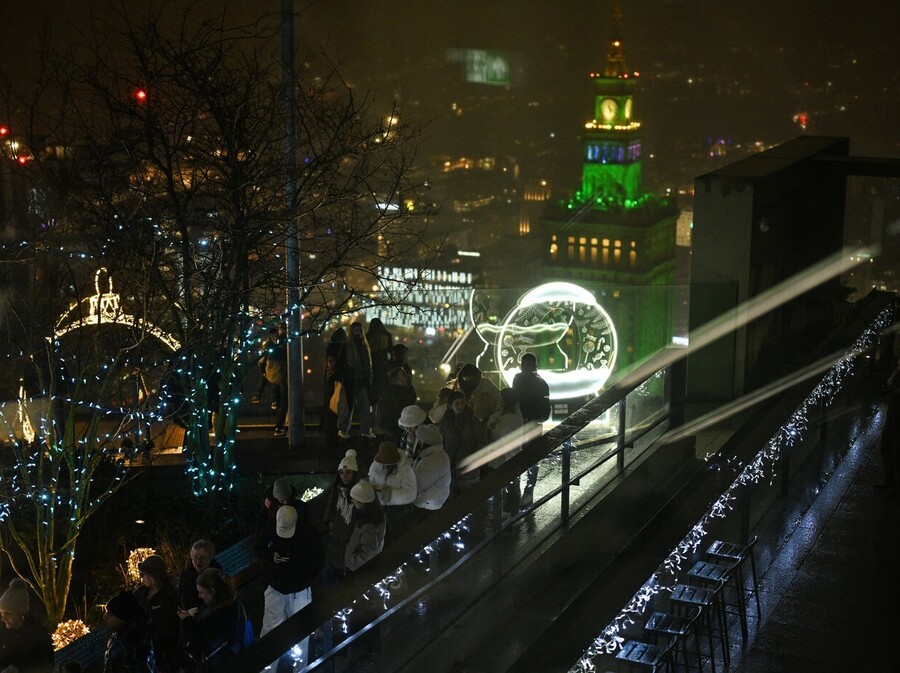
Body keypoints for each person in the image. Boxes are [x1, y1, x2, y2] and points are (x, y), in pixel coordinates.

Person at [254, 505, 322, 668]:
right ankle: (268, 670)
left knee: (299, 632)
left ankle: (299, 668)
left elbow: (317, 562)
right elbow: (258, 547)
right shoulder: (270, 527)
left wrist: (299, 577)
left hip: (297, 590)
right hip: (277, 588)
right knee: (272, 631)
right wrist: (271, 557)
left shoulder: (308, 533)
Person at [178, 569, 249, 673]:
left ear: (212, 591)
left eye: (201, 592)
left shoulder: (222, 614)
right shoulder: (229, 602)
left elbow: (203, 641)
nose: (199, 596)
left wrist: (187, 620)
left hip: (221, 665)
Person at [513, 353, 551, 506]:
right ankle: (526, 491)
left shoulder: (521, 380)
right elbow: (545, 410)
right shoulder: (540, 383)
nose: (526, 367)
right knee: (530, 459)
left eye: (527, 365)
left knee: (526, 458)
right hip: (528, 424)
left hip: (525, 425)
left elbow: (543, 411)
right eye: (524, 364)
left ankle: (525, 491)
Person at [134, 555, 180, 673]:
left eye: (144, 574)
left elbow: (169, 625)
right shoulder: (141, 593)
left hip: (163, 653)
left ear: (153, 576)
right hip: (143, 649)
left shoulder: (169, 596)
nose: (141, 578)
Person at [322, 450, 361, 586]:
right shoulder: (337, 489)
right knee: (328, 572)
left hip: (350, 536)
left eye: (348, 472)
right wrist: (330, 521)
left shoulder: (358, 493)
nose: (344, 476)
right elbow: (331, 504)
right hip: (337, 533)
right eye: (342, 473)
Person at [486, 388, 526, 517]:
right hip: (511, 456)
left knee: (505, 489)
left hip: (503, 459)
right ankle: (512, 513)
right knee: (512, 487)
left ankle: (507, 515)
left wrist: (492, 426)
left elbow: (496, 433)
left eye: (500, 398)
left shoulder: (509, 418)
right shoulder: (514, 413)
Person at [0, 578, 54, 673]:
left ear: (20, 613)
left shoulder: (37, 633)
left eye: (8, 613)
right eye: (1, 613)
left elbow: (47, 664)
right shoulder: (2, 631)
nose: (3, 618)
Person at [368, 442, 417, 543]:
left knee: (398, 539)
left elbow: (410, 493)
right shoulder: (376, 465)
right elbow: (371, 478)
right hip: (379, 509)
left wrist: (389, 494)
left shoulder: (406, 470)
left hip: (399, 513)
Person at [440, 390, 488, 493]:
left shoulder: (472, 420)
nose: (460, 406)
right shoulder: (446, 422)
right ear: (450, 405)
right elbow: (442, 439)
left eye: (462, 403)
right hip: (450, 462)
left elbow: (481, 439)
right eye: (456, 403)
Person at [335, 321, 375, 440]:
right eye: (356, 331)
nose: (358, 333)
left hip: (361, 381)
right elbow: (341, 364)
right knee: (348, 407)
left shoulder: (363, 346)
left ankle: (365, 430)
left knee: (365, 406)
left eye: (359, 331)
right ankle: (344, 429)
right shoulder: (348, 347)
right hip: (351, 381)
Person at [102, 591, 155, 673]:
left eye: (110, 615)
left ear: (122, 618)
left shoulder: (130, 647)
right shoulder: (119, 638)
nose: (104, 617)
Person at [344, 481, 386, 573]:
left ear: (362, 502)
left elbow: (369, 552)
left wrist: (351, 560)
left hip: (356, 568)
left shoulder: (368, 525)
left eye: (354, 499)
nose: (352, 501)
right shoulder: (375, 511)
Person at [411, 424, 451, 518]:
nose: (417, 442)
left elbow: (418, 485)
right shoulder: (435, 454)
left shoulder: (432, 461)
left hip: (428, 504)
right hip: (431, 500)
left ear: (424, 442)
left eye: (419, 439)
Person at [253, 476, 308, 545]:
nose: (286, 502)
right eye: (282, 500)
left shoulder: (299, 506)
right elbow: (260, 535)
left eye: (288, 499)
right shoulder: (268, 512)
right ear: (276, 498)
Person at [177, 540, 223, 612]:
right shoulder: (186, 572)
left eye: (203, 557)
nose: (198, 561)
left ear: (210, 558)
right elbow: (181, 594)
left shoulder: (216, 572)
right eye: (195, 557)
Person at [378, 368, 417, 442]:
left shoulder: (406, 394)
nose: (407, 377)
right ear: (398, 381)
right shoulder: (391, 396)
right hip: (395, 432)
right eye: (403, 375)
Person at [322, 327, 347, 439]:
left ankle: (328, 428)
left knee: (329, 404)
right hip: (340, 379)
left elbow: (329, 364)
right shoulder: (345, 348)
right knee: (339, 404)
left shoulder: (330, 348)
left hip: (330, 379)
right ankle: (338, 428)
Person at [366, 318, 394, 411]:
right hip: (383, 366)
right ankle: (382, 409)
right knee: (383, 388)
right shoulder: (387, 336)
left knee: (373, 389)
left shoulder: (368, 336)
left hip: (372, 366)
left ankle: (373, 409)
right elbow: (391, 351)